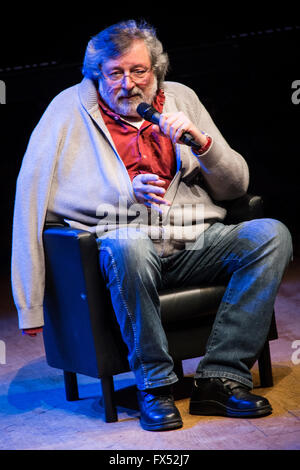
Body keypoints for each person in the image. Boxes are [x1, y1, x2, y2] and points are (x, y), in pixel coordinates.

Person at [11, 19, 292, 432]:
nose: (129, 84)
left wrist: (203, 144)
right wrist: (29, 302)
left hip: (193, 241)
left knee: (270, 234)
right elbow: (33, 197)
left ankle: (220, 377)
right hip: (121, 248)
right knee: (129, 242)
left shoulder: (181, 99)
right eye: (116, 73)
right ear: (97, 75)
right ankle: (155, 387)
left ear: (156, 70)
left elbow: (236, 186)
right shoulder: (67, 110)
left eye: (138, 71)